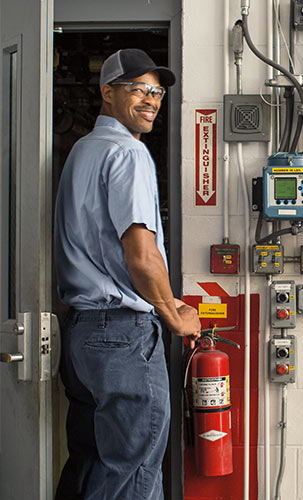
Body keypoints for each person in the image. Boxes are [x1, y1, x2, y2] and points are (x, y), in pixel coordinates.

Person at [54, 48, 201, 500]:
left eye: (156, 92)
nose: (151, 100)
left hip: (81, 335)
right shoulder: (128, 153)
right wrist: (173, 312)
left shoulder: (82, 150)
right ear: (107, 93)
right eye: (138, 89)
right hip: (121, 335)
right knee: (133, 472)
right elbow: (142, 254)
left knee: (91, 465)